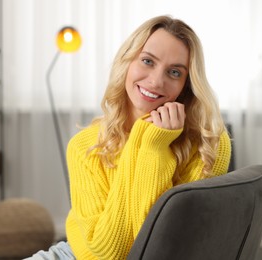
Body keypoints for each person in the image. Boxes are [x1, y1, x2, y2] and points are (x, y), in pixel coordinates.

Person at [27, 15, 231, 260]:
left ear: (186, 85)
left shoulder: (208, 142)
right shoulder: (85, 146)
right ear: (127, 61)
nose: (156, 81)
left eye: (174, 72)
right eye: (147, 61)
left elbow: (161, 245)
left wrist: (153, 146)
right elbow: (103, 254)